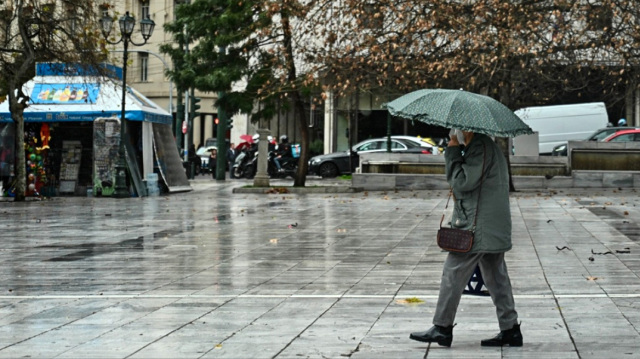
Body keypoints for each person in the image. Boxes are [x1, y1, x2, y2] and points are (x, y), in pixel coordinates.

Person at [409, 129, 521, 348]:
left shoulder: (479, 147)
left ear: (467, 128)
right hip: (490, 224)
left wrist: (452, 149)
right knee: (496, 278)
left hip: (479, 226)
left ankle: (442, 327)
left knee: (453, 271)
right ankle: (511, 329)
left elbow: (462, 183)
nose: (454, 132)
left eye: (457, 129)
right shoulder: (482, 146)